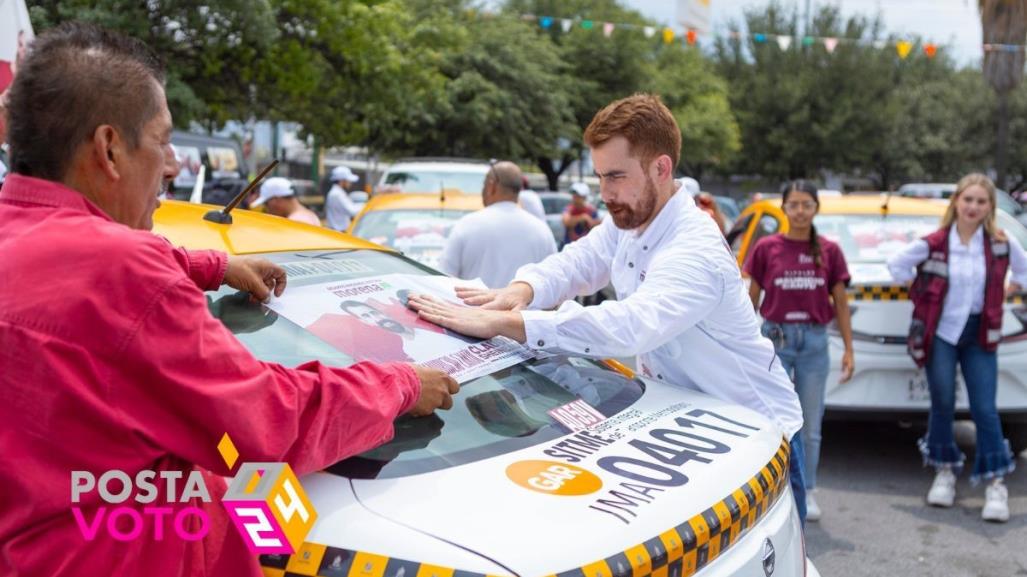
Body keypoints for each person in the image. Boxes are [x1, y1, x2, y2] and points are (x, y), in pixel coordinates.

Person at [0, 23, 458, 577]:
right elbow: (263, 424)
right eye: (163, 140)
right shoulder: (125, 272)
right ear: (110, 149)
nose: (172, 165)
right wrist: (399, 385)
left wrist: (214, 265)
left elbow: (80, 275)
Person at [407, 94, 807, 522]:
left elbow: (632, 326)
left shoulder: (694, 248)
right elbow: (581, 259)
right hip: (700, 430)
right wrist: (523, 289)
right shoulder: (635, 218)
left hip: (761, 440)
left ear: (661, 168)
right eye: (600, 177)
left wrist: (512, 323)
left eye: (615, 176)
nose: (605, 194)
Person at [887, 173, 1027, 523]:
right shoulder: (935, 242)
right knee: (943, 403)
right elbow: (897, 266)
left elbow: (1023, 274)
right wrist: (917, 290)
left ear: (989, 207)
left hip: (981, 333)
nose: (973, 207)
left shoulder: (1000, 241)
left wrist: (1005, 292)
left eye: (981, 202)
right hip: (942, 334)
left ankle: (995, 481)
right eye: (968, 200)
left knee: (984, 408)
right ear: (957, 203)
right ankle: (945, 471)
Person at [744, 180, 855, 522]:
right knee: (766, 418)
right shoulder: (767, 248)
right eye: (794, 204)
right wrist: (744, 344)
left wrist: (849, 348)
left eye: (807, 204)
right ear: (785, 208)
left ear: (816, 208)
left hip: (814, 343)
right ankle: (767, 488)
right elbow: (751, 300)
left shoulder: (830, 250)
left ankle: (807, 488)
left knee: (810, 423)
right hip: (774, 340)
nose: (801, 210)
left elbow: (840, 302)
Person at [439, 160, 556, 288]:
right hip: (525, 308)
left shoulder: (467, 224)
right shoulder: (542, 230)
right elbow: (554, 283)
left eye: (483, 185)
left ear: (492, 186)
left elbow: (444, 278)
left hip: (471, 307)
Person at [251, 175, 322, 225]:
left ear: (276, 200)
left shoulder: (295, 221)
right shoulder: (308, 214)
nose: (266, 209)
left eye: (266, 203)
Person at [325, 165, 362, 231]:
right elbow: (352, 211)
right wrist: (367, 205)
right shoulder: (336, 194)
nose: (350, 183)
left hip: (340, 230)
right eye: (348, 180)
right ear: (342, 181)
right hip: (339, 231)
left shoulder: (338, 192)